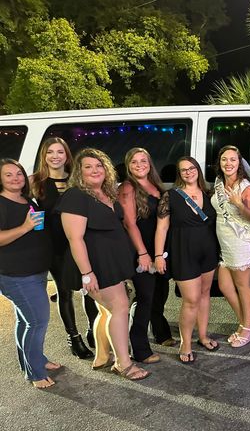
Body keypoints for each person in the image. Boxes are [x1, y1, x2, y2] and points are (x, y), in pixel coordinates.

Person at [57, 148, 149, 380]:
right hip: (96, 265)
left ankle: (102, 356)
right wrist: (87, 274)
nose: (94, 170)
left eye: (98, 166)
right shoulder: (76, 196)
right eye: (88, 167)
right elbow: (75, 238)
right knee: (119, 308)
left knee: (106, 310)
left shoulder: (105, 192)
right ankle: (123, 363)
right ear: (79, 171)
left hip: (111, 263)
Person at [30, 137, 97, 359]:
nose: (55, 156)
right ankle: (73, 338)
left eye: (60, 152)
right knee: (64, 292)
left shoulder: (78, 181)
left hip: (81, 243)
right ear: (44, 156)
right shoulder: (35, 182)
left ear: (67, 155)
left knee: (89, 289)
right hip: (54, 246)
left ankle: (92, 330)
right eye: (50, 152)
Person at [0, 159, 62, 389]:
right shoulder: (2, 202)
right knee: (37, 322)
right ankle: (35, 373)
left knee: (24, 321)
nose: (16, 178)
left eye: (18, 174)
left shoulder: (24, 198)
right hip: (17, 275)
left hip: (34, 271)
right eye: (8, 175)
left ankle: (35, 360)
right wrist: (25, 227)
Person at [155, 157, 219, 363]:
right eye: (183, 170)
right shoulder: (170, 196)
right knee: (191, 300)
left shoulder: (208, 193)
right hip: (183, 253)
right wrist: (158, 255)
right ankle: (186, 344)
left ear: (197, 170)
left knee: (205, 294)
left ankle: (202, 336)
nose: (188, 172)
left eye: (191, 168)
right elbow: (162, 228)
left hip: (208, 251)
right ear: (179, 174)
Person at [118, 148, 173, 364]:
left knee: (160, 291)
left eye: (144, 161)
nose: (140, 165)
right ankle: (139, 348)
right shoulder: (128, 188)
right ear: (128, 166)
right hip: (141, 252)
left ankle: (160, 332)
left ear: (150, 163)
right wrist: (142, 253)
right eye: (134, 162)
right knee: (145, 298)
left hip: (158, 250)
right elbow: (129, 223)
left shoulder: (155, 185)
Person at [211, 145, 250, 348]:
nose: (228, 163)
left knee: (242, 286)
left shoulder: (245, 187)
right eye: (224, 159)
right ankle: (245, 323)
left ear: (239, 163)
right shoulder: (218, 183)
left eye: (233, 159)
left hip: (241, 241)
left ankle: (248, 328)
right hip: (225, 243)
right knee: (224, 286)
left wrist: (238, 203)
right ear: (220, 162)